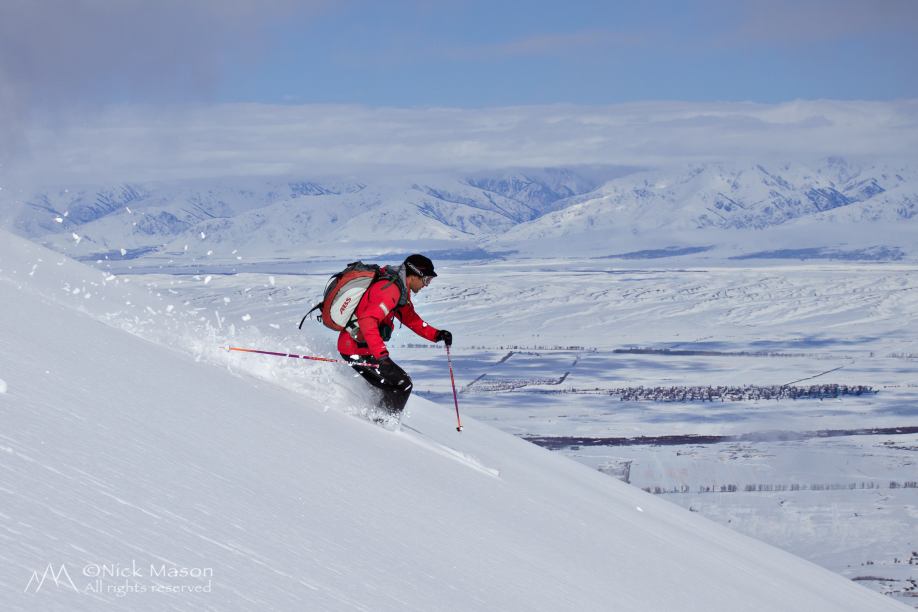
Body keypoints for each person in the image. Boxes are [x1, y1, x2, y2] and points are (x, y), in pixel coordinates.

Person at [338, 254, 452, 415]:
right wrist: (381, 355)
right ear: (414, 275)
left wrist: (437, 334)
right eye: (426, 280)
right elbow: (368, 320)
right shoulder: (390, 290)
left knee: (395, 385)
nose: (426, 285)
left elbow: (410, 318)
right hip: (355, 348)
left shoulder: (399, 288)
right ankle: (381, 423)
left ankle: (375, 418)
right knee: (402, 384)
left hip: (364, 348)